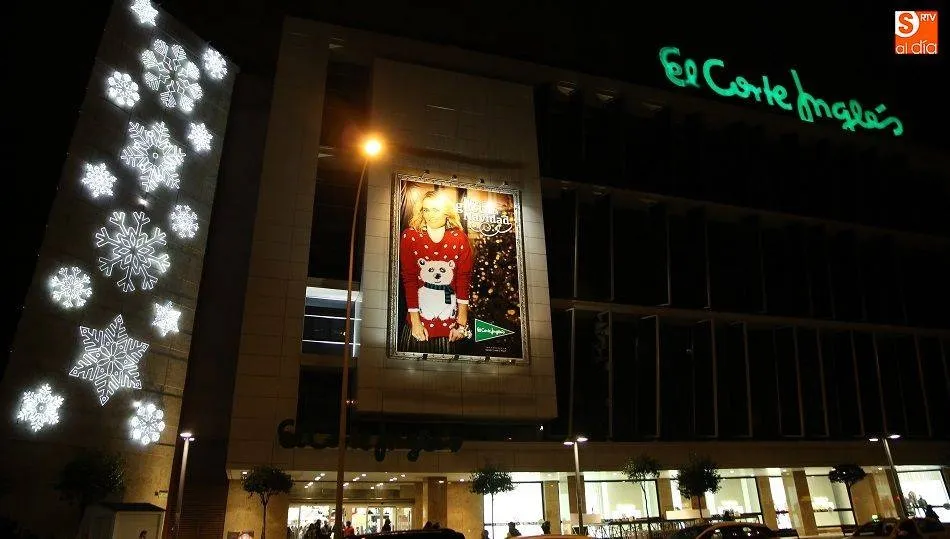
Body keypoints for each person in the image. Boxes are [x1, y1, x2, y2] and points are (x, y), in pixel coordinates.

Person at [399, 189, 474, 354]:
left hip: (452, 328)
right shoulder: (410, 236)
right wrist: (415, 322)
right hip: (419, 326)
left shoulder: (459, 238)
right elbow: (410, 280)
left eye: (435, 209)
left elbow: (463, 280)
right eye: (426, 210)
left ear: (447, 212)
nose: (430, 215)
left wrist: (461, 322)